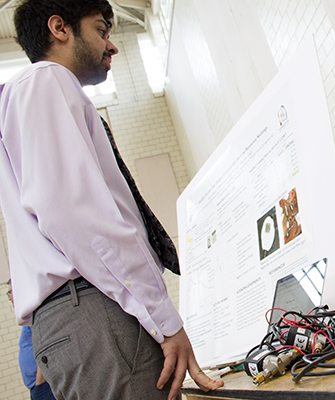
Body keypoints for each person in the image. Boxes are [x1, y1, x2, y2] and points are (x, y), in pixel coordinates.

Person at [0, 1, 223, 399]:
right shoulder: (46, 80)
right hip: (96, 308)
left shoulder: (30, 95)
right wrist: (164, 320)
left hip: (80, 312)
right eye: (101, 29)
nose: (112, 45)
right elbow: (78, 215)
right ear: (60, 28)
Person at [7, 280, 57, 400]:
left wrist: (40, 381)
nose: (9, 298)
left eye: (10, 293)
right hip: (38, 386)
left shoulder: (33, 311)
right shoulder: (27, 315)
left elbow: (44, 343)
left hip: (43, 385)